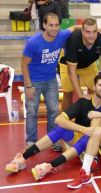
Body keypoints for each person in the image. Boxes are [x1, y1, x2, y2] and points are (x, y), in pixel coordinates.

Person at [5, 74, 101, 180]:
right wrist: (83, 129)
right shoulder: (84, 101)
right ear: (94, 86)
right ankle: (21, 158)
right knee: (61, 129)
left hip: (98, 143)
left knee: (91, 133)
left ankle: (49, 166)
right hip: (82, 136)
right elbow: (58, 119)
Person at [21, 13, 78, 147]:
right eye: (51, 25)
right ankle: (31, 141)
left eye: (57, 25)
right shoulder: (33, 42)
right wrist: (28, 86)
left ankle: (53, 139)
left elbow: (74, 27)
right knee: (32, 111)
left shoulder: (61, 35)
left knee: (53, 110)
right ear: (44, 25)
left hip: (51, 80)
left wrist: (97, 29)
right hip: (33, 81)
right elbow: (24, 64)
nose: (54, 28)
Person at [59, 18, 101, 111]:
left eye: (94, 32)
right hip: (68, 64)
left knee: (96, 90)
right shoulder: (73, 40)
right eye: (88, 32)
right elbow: (72, 73)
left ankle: (92, 116)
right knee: (68, 93)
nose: (91, 35)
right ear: (82, 32)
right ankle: (65, 120)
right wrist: (81, 97)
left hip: (88, 65)